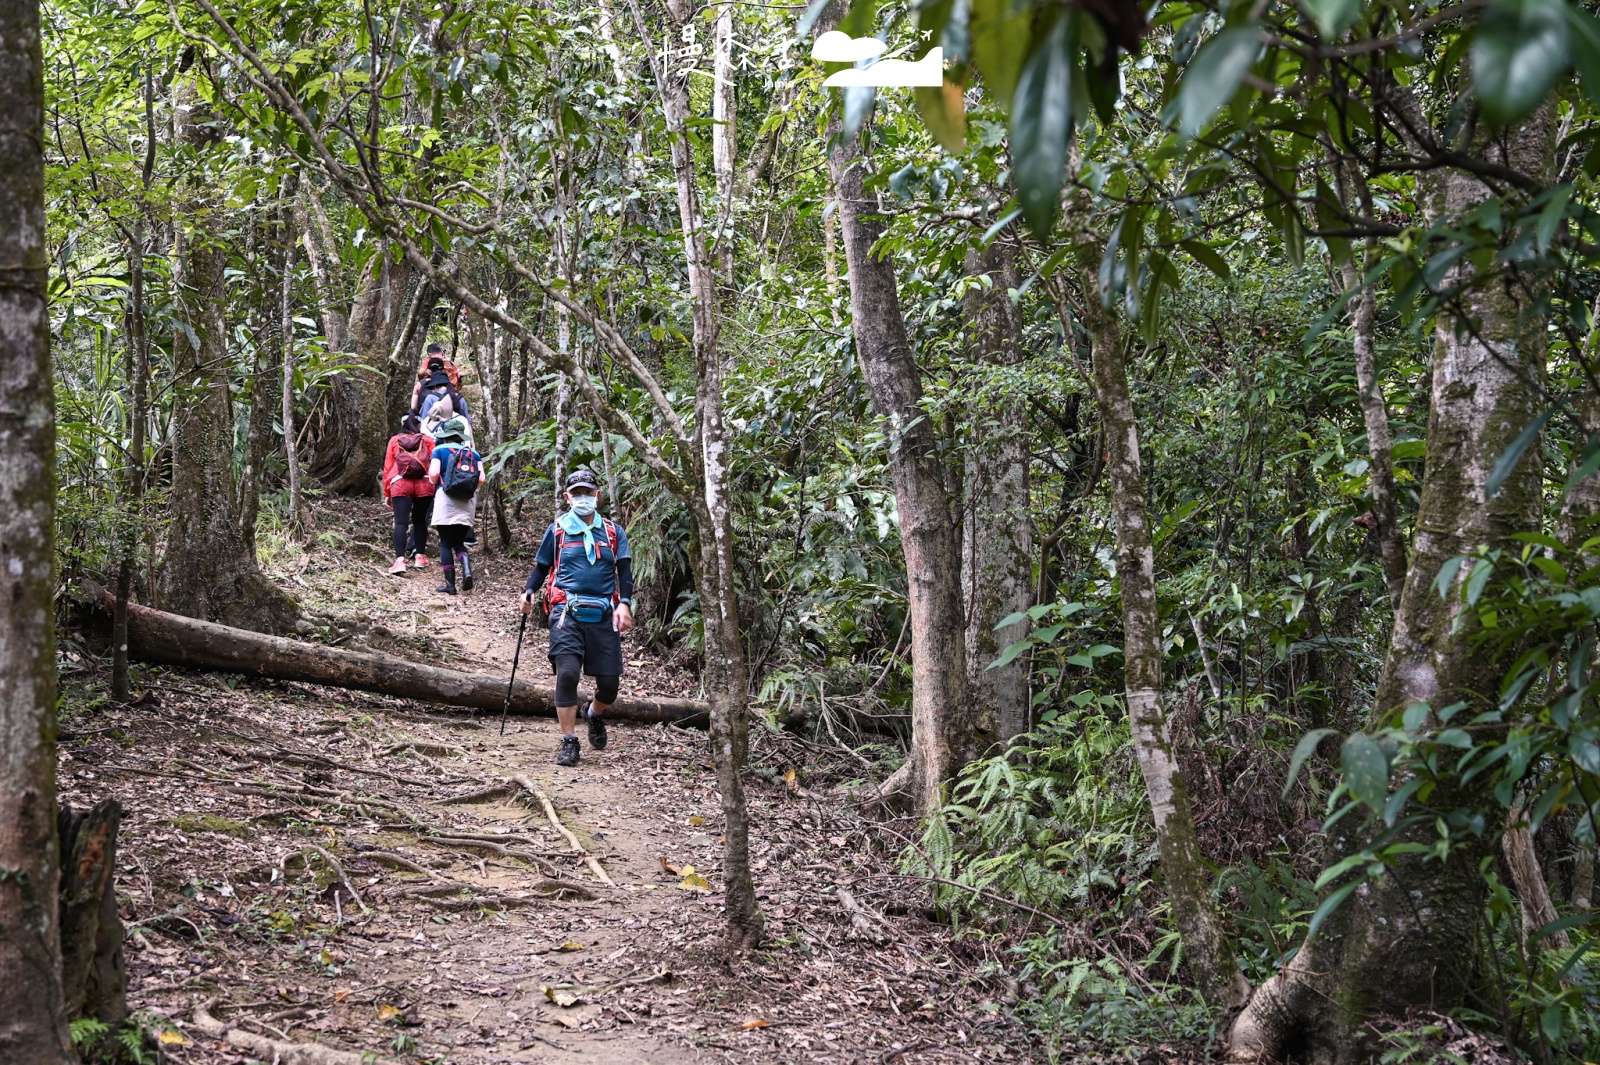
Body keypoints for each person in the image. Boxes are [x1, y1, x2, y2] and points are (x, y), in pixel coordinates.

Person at [520, 469, 634, 767]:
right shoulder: (557, 530)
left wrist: (625, 603)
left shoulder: (612, 532)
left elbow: (624, 572)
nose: (583, 498)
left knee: (609, 686)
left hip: (603, 614)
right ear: (567, 497)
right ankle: (570, 741)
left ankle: (593, 713)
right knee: (567, 674)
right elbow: (542, 566)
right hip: (565, 612)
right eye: (576, 493)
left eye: (588, 492)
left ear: (597, 494)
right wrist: (529, 591)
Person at [427, 416, 483, 595]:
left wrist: (434, 481)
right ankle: (466, 567)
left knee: (445, 542)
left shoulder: (439, 450)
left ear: (446, 435)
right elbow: (481, 478)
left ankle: (450, 585)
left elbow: (434, 473)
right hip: (467, 501)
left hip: (445, 498)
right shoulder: (473, 454)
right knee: (459, 542)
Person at [381, 412, 435, 574]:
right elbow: (433, 463)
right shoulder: (427, 440)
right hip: (424, 484)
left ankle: (399, 561)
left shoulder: (394, 441)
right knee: (420, 521)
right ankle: (419, 557)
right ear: (419, 425)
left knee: (400, 523)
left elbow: (388, 467)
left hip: (400, 483)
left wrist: (387, 492)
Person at [409, 343, 462, 411]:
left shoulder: (429, 361)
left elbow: (421, 372)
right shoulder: (450, 363)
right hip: (451, 394)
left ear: (429, 354)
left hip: (433, 394)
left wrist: (423, 381)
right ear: (441, 352)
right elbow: (458, 377)